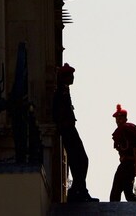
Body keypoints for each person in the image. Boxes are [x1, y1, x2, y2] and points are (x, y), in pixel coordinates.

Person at [52, 63, 97, 202]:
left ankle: (78, 190)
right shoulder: (60, 93)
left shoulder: (64, 91)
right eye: (70, 75)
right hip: (68, 130)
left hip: (69, 129)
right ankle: (79, 191)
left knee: (80, 161)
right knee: (80, 160)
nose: (73, 78)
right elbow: (58, 113)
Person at [109, 104, 136, 202]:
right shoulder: (122, 130)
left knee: (116, 193)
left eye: (120, 118)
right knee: (128, 194)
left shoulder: (126, 129)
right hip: (126, 164)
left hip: (127, 166)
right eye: (116, 118)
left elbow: (135, 147)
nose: (117, 121)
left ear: (125, 118)